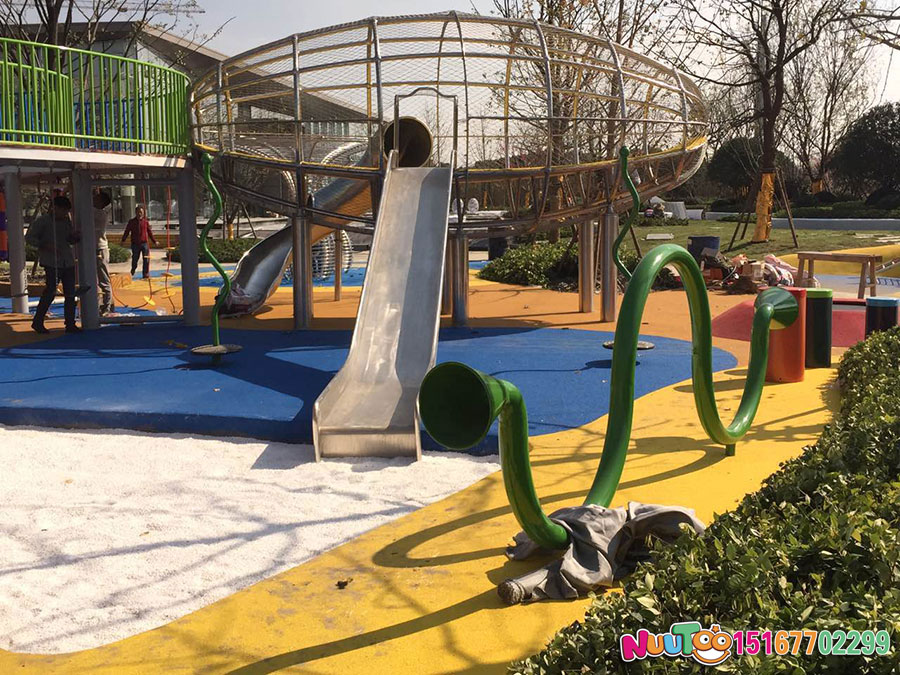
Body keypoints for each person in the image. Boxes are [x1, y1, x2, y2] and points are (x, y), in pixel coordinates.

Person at [25, 195, 81, 334]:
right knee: (50, 292)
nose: (65, 213)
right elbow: (29, 238)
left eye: (66, 211)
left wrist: (74, 237)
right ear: (55, 208)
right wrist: (44, 245)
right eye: (63, 210)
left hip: (67, 261)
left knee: (70, 293)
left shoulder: (66, 221)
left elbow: (69, 240)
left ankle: (70, 323)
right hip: (51, 262)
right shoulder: (42, 221)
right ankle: (38, 321)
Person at [121, 205, 157, 279]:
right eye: (138, 212)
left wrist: (154, 241)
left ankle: (145, 274)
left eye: (141, 212)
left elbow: (149, 232)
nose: (140, 213)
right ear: (136, 212)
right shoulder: (131, 222)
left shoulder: (145, 222)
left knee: (146, 259)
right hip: (135, 244)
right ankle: (133, 270)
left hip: (144, 243)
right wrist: (123, 240)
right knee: (135, 259)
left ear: (143, 213)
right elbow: (127, 231)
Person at [93, 191, 114, 315]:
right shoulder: (98, 213)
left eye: (96, 198)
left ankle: (107, 307)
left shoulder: (99, 214)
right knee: (97, 279)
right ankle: (102, 306)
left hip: (100, 248)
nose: (93, 199)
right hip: (95, 248)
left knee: (103, 279)